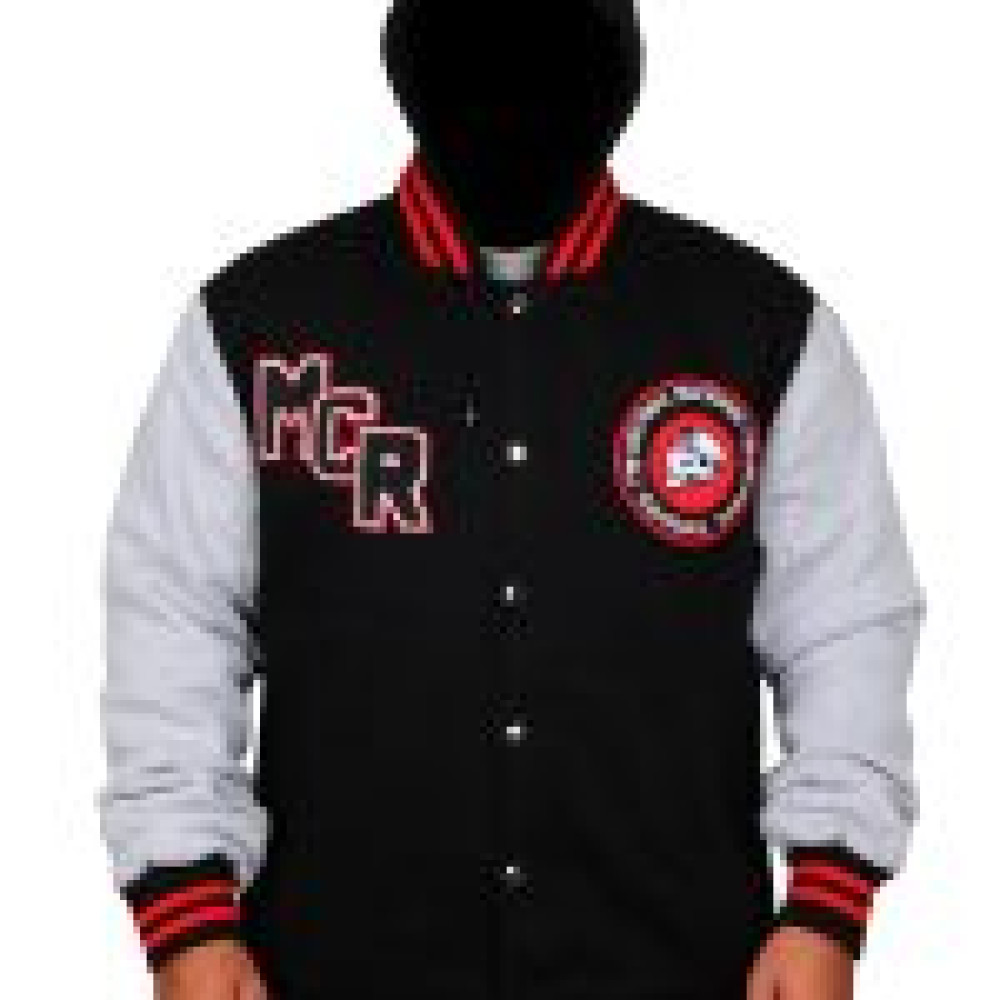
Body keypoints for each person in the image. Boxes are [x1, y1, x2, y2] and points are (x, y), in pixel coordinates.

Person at [100, 2, 925, 998]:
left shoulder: (758, 327)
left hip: (678, 962)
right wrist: (185, 909)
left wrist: (827, 901)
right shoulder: (261, 323)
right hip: (336, 961)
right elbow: (174, 618)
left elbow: (845, 624)